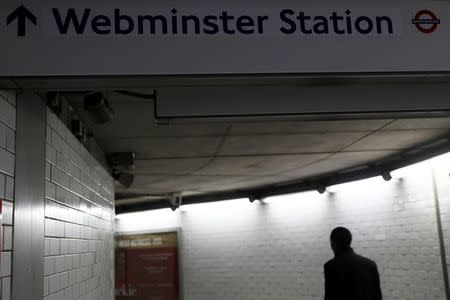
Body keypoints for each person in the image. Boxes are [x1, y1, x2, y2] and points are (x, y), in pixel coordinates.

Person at [324, 227, 382, 300]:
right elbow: (377, 296)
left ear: (334, 243)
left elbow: (330, 296)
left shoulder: (331, 266)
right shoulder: (370, 264)